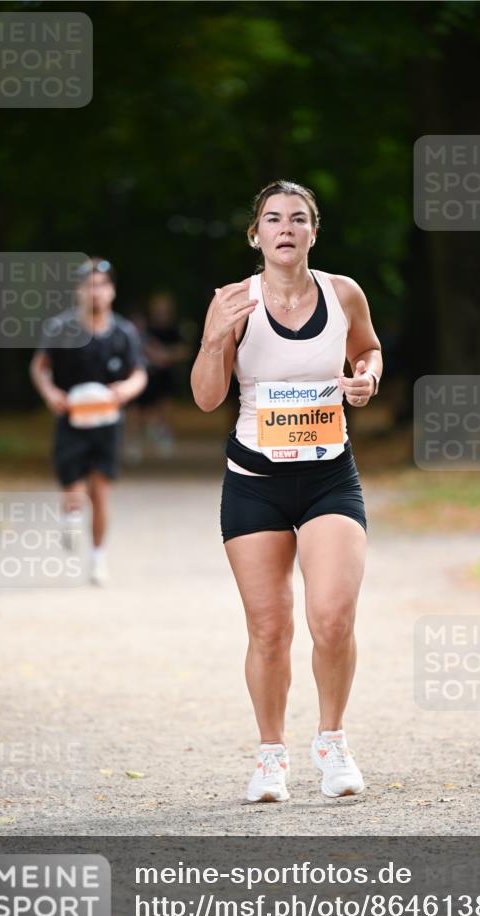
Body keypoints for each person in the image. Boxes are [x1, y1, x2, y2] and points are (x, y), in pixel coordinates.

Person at [190, 181, 383, 802]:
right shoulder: (232, 301)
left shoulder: (344, 293)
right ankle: (271, 755)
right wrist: (214, 339)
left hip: (329, 478)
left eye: (298, 219)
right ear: (256, 235)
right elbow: (206, 397)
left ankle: (332, 743)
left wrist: (367, 377)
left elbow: (368, 350)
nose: (286, 228)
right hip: (255, 484)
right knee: (270, 629)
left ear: (313, 233)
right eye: (273, 219)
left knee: (333, 617)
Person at [30, 258, 147, 584]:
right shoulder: (61, 329)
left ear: (112, 291)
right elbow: (39, 367)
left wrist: (126, 389)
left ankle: (98, 557)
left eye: (101, 286)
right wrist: (50, 393)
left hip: (107, 423)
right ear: (79, 291)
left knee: (100, 492)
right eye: (89, 286)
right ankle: (70, 516)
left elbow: (139, 374)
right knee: (73, 488)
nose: (96, 292)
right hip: (71, 420)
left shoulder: (124, 332)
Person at [127, 292, 189, 461]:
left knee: (165, 403)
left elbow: (184, 350)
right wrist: (154, 354)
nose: (161, 311)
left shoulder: (175, 328)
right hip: (145, 374)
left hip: (164, 375)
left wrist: (166, 355)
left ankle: (163, 433)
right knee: (137, 409)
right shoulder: (146, 328)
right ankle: (135, 440)